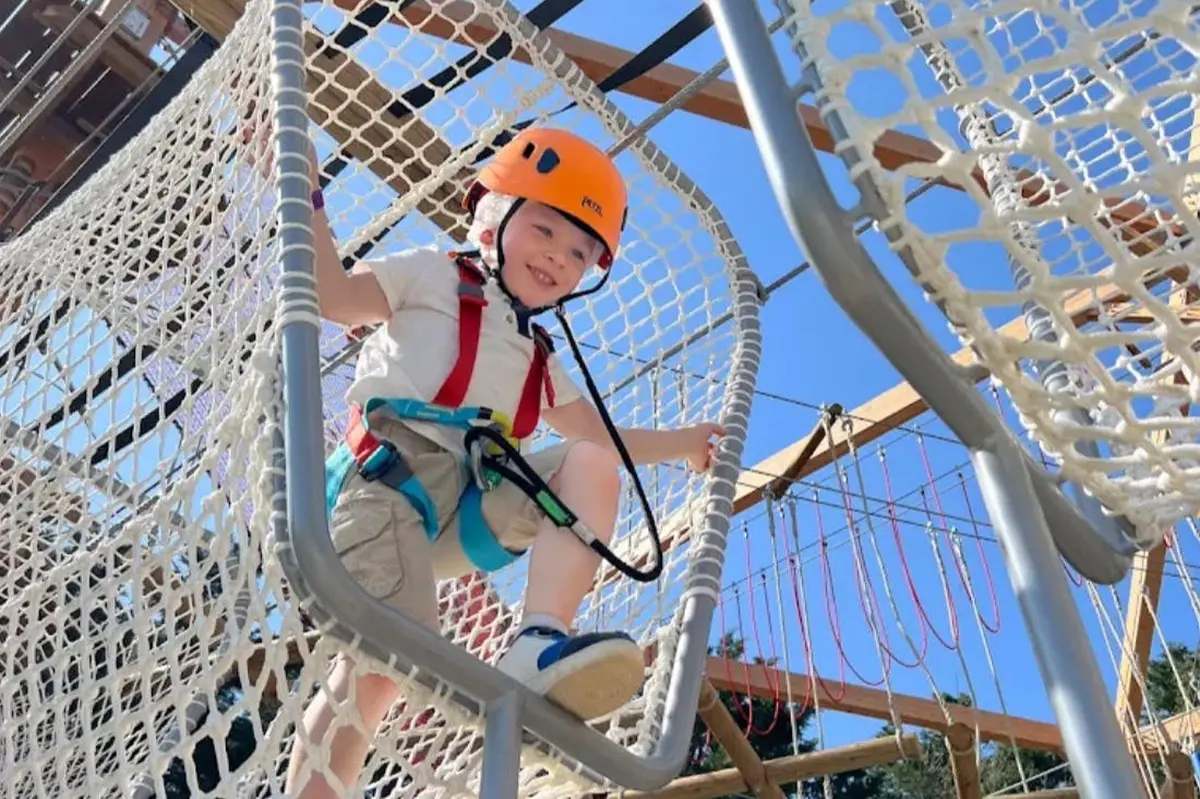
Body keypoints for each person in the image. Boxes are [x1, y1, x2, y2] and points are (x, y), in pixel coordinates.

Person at [283, 127, 725, 798]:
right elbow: (332, 295)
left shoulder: (537, 356)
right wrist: (306, 188)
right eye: (546, 230)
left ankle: (538, 639)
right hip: (383, 489)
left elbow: (606, 438)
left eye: (579, 252)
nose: (558, 258)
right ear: (497, 217)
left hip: (465, 506)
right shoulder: (432, 272)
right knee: (381, 671)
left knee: (587, 461)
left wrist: (687, 443)